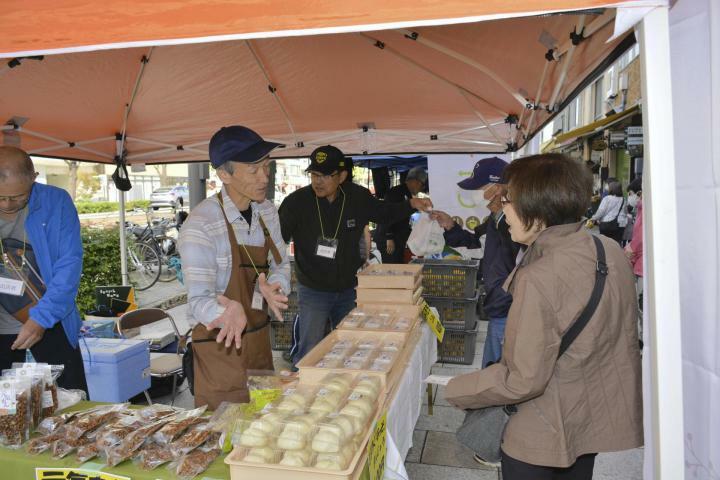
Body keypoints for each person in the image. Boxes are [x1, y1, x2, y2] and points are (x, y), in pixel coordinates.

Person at [445, 153, 643, 479]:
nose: (503, 210)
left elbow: (522, 378)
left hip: (539, 427)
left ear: (536, 210)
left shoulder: (539, 275)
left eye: (508, 200)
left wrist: (456, 388)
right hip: (589, 417)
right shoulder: (607, 249)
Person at [279, 145, 432, 365]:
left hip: (348, 290)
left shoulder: (357, 197)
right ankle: (301, 383)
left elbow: (383, 213)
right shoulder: (296, 203)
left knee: (349, 346)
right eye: (314, 174)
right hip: (314, 290)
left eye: (325, 175)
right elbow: (276, 242)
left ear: (341, 176)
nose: (318, 181)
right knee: (309, 349)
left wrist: (410, 204)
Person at [178, 126, 291, 409]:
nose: (265, 177)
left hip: (259, 344)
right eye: (254, 170)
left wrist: (274, 286)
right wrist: (226, 310)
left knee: (264, 428)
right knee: (224, 438)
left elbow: (281, 263)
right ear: (224, 174)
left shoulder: (267, 212)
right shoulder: (201, 225)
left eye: (267, 166)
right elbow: (199, 300)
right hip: (220, 349)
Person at [0, 146, 87, 392]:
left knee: (70, 399)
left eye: (17, 196)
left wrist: (42, 318)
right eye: (0, 197)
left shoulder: (55, 202)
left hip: (49, 315)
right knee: (7, 412)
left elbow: (68, 265)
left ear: (33, 178)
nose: (7, 204)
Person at [431, 157, 520, 368]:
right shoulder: (495, 218)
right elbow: (477, 245)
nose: (475, 194)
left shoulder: (514, 223)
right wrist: (450, 225)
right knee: (491, 368)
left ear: (497, 188)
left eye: (478, 188)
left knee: (498, 372)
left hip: (509, 308)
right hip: (498, 306)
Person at [383, 167, 428, 264]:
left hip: (399, 237)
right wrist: (389, 237)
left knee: (399, 264)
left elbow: (403, 215)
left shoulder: (406, 194)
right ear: (416, 182)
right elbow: (387, 215)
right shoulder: (396, 192)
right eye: (422, 186)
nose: (421, 189)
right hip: (390, 239)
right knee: (392, 268)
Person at [590, 180, 627, 244]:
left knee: (605, 243)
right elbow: (625, 212)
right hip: (620, 224)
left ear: (611, 189)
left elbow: (601, 211)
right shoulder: (624, 199)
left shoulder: (607, 199)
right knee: (617, 243)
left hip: (607, 225)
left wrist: (593, 218)